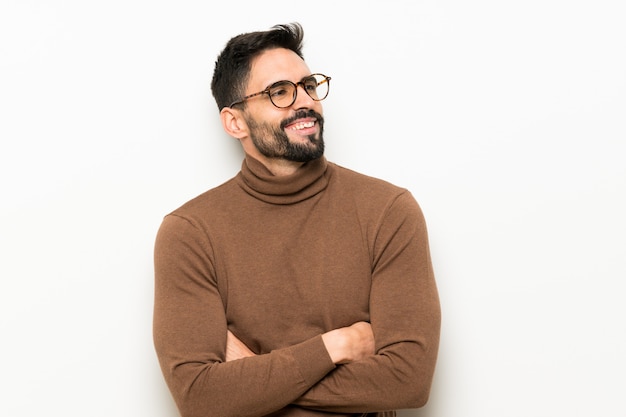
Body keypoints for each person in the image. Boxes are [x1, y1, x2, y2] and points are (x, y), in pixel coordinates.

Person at [153, 22, 441, 417]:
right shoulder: (189, 233)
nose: (305, 101)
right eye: (280, 92)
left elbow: (408, 380)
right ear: (235, 122)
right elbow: (198, 398)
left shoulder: (388, 210)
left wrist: (249, 373)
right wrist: (335, 347)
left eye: (309, 86)